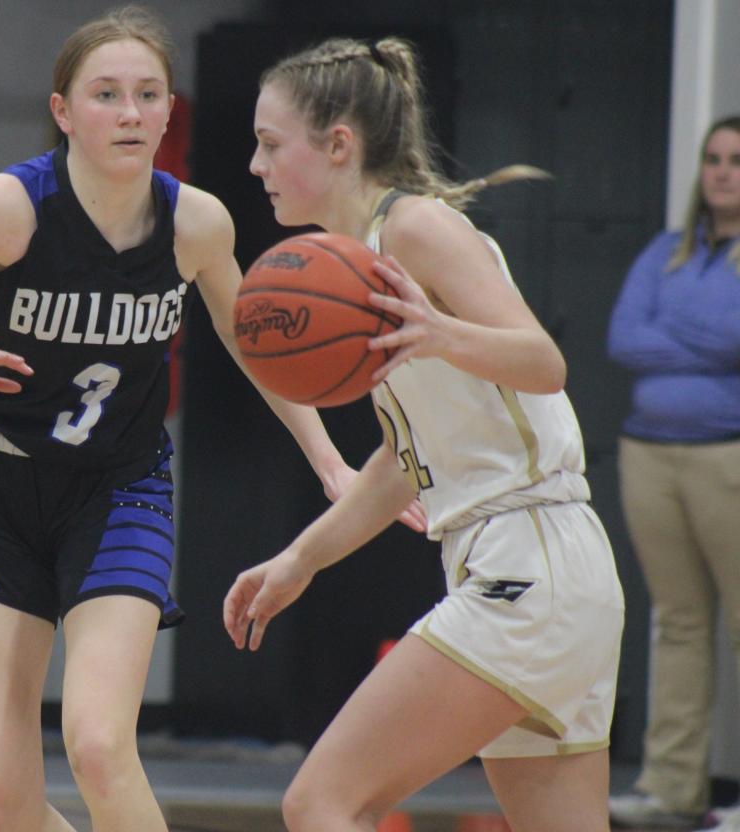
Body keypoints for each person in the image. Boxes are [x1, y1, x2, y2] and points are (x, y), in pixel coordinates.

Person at [0, 8, 426, 831]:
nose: (131, 112)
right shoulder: (7, 209)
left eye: (148, 94)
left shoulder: (197, 222)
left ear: (171, 110)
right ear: (64, 111)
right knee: (1, 805)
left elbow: (261, 348)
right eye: (106, 94)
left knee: (100, 747)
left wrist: (328, 463)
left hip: (118, 489)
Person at [223, 35, 625, 832]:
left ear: (339, 145)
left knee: (321, 802)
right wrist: (301, 559)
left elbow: (544, 361)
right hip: (548, 570)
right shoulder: (365, 260)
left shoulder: (416, 231)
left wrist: (437, 332)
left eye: (271, 144)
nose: (254, 165)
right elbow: (404, 463)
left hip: (527, 565)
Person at [606, 115, 740, 832]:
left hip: (729, 455)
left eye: (737, 160)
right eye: (713, 159)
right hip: (649, 454)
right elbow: (623, 336)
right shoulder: (666, 250)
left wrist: (679, 332)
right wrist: (710, 343)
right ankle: (671, 789)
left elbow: (735, 340)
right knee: (679, 624)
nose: (722, 172)